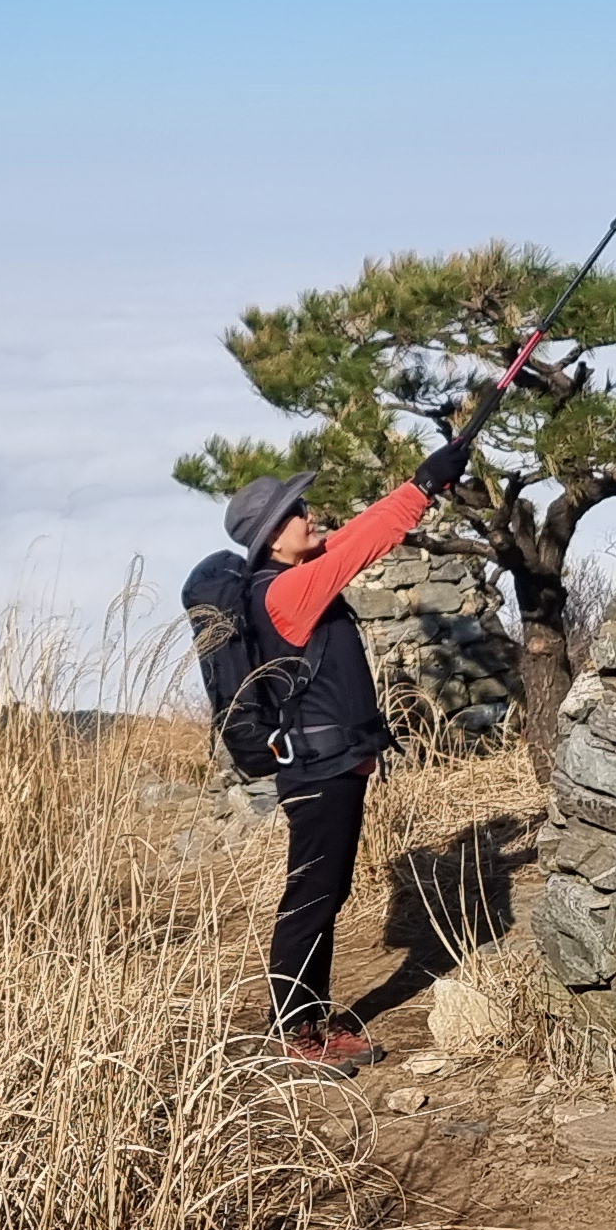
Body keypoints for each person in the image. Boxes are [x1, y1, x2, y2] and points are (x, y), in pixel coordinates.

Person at [215, 436, 470, 1069]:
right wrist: (422, 487)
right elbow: (360, 546)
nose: (309, 514)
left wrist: (422, 485)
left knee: (323, 892)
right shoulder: (285, 593)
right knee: (313, 897)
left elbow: (350, 535)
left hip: (329, 764)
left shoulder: (289, 580)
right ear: (273, 540)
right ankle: (297, 1032)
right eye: (295, 512)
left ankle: (305, 1020)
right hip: (318, 771)